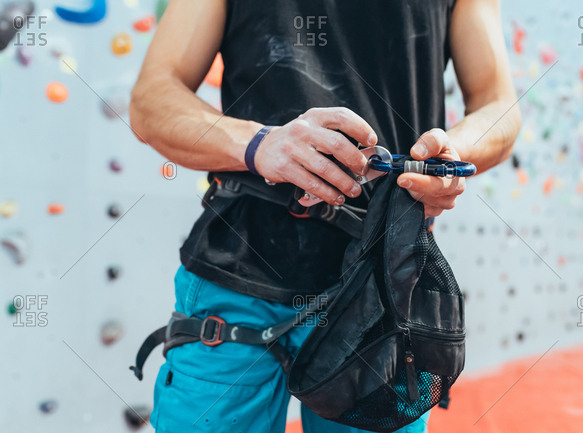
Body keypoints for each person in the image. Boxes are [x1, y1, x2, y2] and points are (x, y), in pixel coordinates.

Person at [129, 0, 521, 432]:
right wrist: (260, 144)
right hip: (241, 268)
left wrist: (452, 152)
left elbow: (499, 107)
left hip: (383, 287)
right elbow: (152, 100)